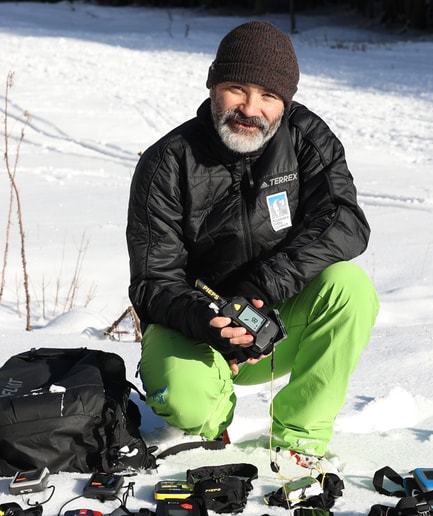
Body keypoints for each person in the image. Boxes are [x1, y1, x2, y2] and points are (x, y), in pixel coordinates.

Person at [125, 20, 380, 469]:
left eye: (268, 95)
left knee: (351, 289)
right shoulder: (166, 161)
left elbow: (345, 221)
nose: (250, 107)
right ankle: (213, 421)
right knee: (188, 403)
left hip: (275, 321)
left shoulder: (307, 138)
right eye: (236, 88)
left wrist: (262, 286)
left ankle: (299, 437)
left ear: (285, 103)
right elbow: (152, 280)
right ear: (212, 87)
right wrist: (209, 322)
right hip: (193, 327)